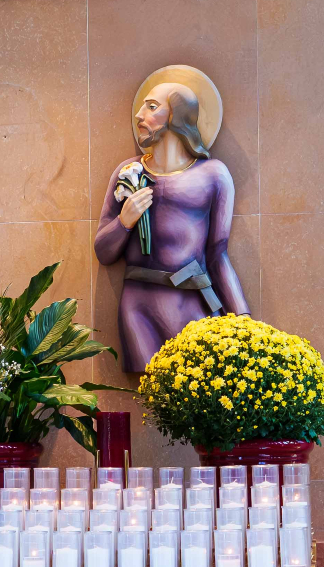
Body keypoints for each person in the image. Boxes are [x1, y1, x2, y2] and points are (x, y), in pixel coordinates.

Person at [95, 75, 249, 373]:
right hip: (139, 309)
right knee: (151, 388)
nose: (139, 115)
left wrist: (242, 319)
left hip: (193, 303)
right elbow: (103, 252)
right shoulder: (129, 172)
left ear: (176, 116)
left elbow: (218, 253)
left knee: (202, 384)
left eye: (152, 107)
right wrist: (125, 221)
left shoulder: (213, 175)